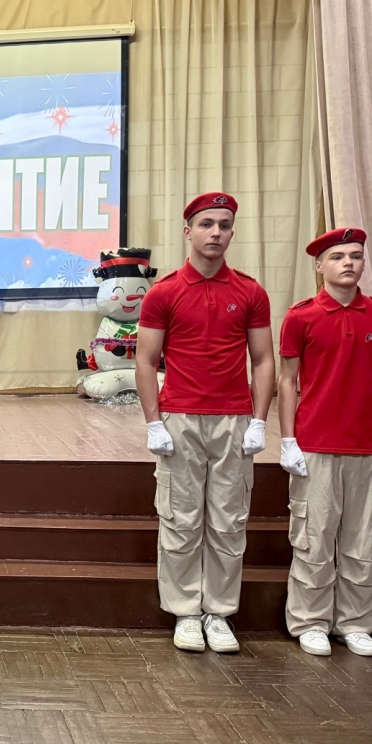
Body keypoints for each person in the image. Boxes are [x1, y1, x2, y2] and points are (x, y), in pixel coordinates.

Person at [136, 192, 275, 653]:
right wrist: (154, 422)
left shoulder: (250, 292)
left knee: (229, 522)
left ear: (232, 232)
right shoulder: (164, 292)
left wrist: (260, 420)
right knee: (180, 518)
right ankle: (185, 613)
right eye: (207, 224)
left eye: (225, 225)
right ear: (188, 231)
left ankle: (218, 613)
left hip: (233, 420)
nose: (216, 232)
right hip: (180, 419)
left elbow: (263, 359)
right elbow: (146, 361)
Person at [277, 227, 372, 657]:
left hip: (365, 445)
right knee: (314, 537)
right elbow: (287, 381)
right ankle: (310, 620)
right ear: (319, 266)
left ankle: (354, 621)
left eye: (356, 255)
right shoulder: (301, 317)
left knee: (361, 541)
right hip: (316, 443)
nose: (348, 262)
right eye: (337, 256)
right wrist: (288, 440)